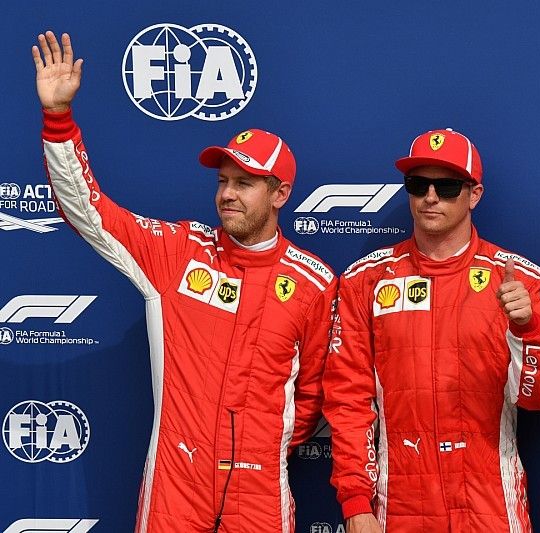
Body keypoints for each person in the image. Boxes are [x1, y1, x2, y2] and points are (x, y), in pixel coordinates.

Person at [32, 31, 337, 532]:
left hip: (259, 494)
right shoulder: (178, 252)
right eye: (222, 181)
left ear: (280, 193)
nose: (227, 195)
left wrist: (268, 443)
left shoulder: (313, 281)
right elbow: (89, 212)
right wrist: (59, 121)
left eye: (244, 183)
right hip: (176, 486)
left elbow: (316, 393)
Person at [323, 128, 540, 532]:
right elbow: (347, 400)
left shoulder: (519, 280)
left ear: (474, 194)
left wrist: (529, 328)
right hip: (397, 506)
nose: (430, 197)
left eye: (447, 186)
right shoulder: (365, 280)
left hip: (489, 504)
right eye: (418, 185)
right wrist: (354, 501)